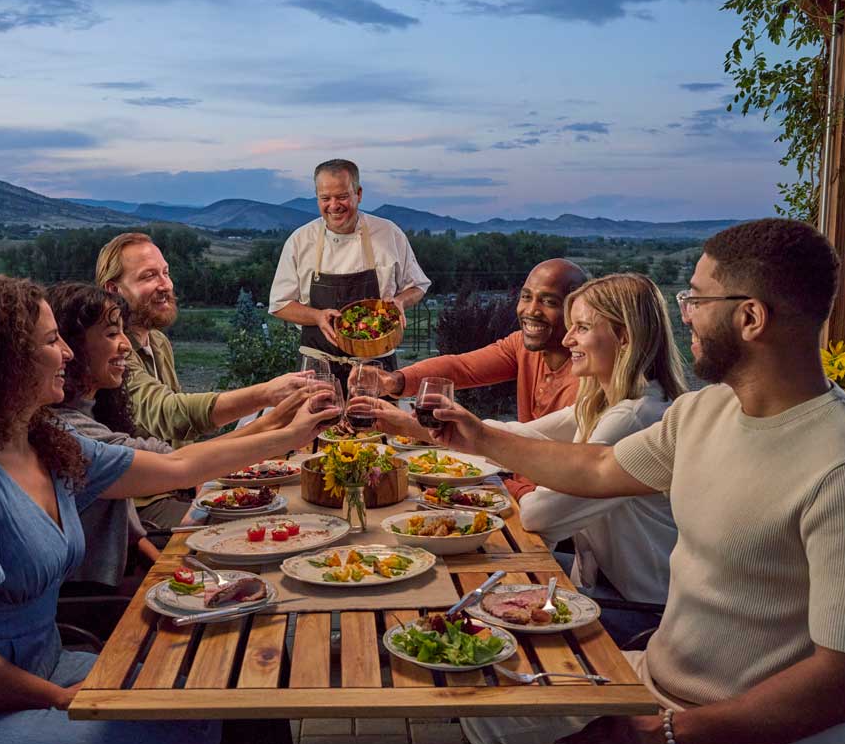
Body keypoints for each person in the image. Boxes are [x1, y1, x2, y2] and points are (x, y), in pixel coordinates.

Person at [428, 219, 845, 744]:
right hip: (653, 684)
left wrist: (670, 735)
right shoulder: (704, 412)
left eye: (696, 298)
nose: (682, 313)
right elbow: (599, 465)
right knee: (484, 698)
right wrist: (477, 435)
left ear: (750, 318)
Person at [0, 275, 337, 744]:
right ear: (3, 361)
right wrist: (61, 700)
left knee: (200, 698)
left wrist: (289, 430)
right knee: (147, 743)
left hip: (40, 668)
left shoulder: (45, 444)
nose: (66, 352)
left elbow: (178, 466)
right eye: (49, 341)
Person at [365, 273, 685, 645]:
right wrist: (413, 425)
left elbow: (538, 515)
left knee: (468, 615)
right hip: (593, 580)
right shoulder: (602, 403)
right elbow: (524, 435)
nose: (568, 339)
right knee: (463, 590)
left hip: (638, 611)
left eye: (580, 327)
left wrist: (515, 482)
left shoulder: (635, 418)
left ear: (624, 337)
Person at [96, 231, 309, 527]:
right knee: (262, 524)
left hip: (179, 486)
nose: (165, 285)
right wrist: (266, 395)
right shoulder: (115, 352)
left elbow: (182, 441)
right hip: (142, 506)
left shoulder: (157, 342)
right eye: (148, 276)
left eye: (165, 273)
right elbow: (170, 414)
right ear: (113, 289)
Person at [364, 258, 587, 501]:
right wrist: (394, 380)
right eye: (526, 297)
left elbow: (534, 448)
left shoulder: (589, 381)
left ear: (576, 311)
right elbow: (461, 367)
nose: (531, 310)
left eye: (548, 301)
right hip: (518, 489)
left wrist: (500, 487)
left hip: (548, 507)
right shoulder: (521, 346)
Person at [268, 158, 431, 381]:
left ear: (359, 193)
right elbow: (280, 305)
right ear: (317, 197)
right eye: (325, 198)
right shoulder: (299, 241)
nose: (334, 205)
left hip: (376, 367)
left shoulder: (388, 233)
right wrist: (316, 316)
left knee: (378, 418)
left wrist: (401, 301)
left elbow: (417, 285)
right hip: (317, 367)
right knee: (314, 417)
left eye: (342, 196)